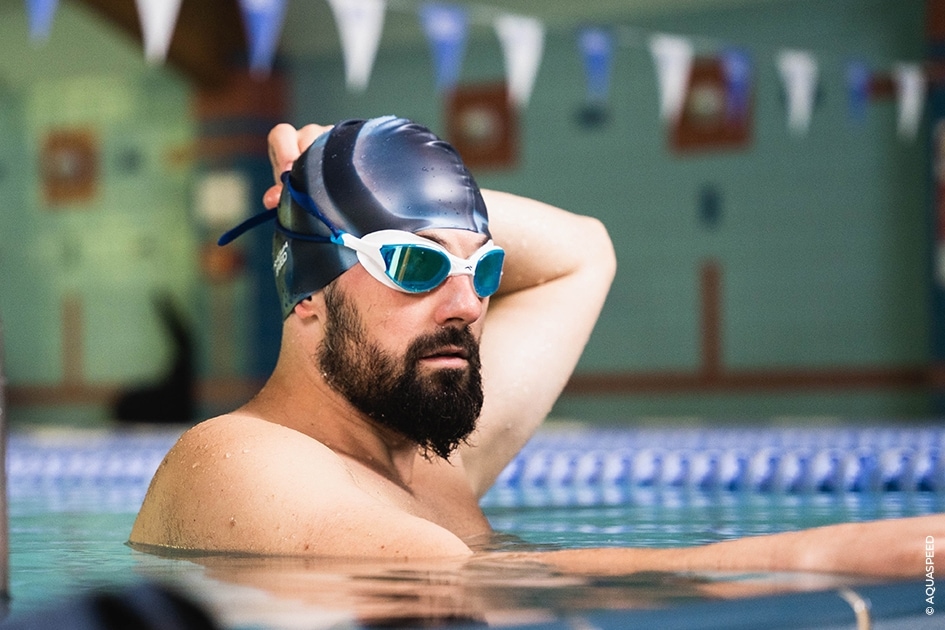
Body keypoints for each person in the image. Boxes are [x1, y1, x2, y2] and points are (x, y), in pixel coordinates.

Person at [130, 116, 941, 578]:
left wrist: (345, 165)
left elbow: (584, 251)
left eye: (480, 268)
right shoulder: (238, 459)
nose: (467, 304)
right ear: (307, 292)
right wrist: (842, 550)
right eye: (413, 266)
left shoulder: (421, 461)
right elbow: (476, 586)